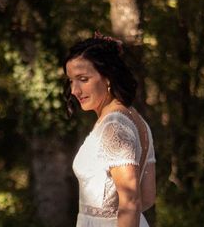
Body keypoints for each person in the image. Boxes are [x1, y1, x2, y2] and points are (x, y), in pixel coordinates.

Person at [64, 34, 156, 227]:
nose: (74, 90)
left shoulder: (114, 126)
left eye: (83, 79)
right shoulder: (136, 120)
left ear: (107, 78)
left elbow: (131, 202)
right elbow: (147, 196)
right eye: (71, 81)